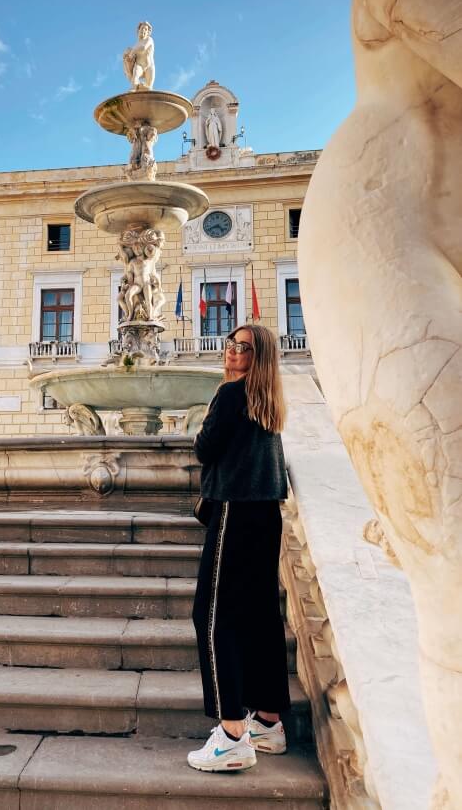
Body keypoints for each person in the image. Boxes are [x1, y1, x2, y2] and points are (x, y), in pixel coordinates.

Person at [187, 324, 290, 773]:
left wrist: (216, 405)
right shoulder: (270, 402)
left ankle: (231, 734)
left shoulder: (232, 395)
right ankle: (267, 721)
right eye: (230, 344)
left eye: (243, 347)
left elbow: (204, 448)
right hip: (266, 514)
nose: (231, 351)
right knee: (260, 616)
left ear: (259, 355)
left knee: (212, 617)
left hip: (235, 509)